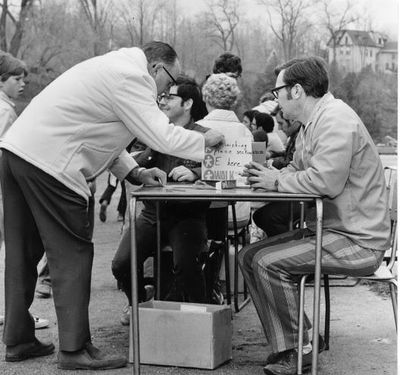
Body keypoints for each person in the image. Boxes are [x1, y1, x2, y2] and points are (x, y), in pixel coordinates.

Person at [0, 41, 224, 370]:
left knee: (22, 252)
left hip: (16, 153)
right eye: (169, 80)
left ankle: (18, 339)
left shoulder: (108, 69)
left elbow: (103, 133)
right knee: (72, 254)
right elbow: (162, 135)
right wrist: (207, 140)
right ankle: (75, 349)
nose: (166, 90)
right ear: (155, 67)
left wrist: (133, 171)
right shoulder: (132, 78)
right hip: (51, 165)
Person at [239, 56, 390, 375]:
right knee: (249, 255)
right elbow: (300, 168)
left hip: (358, 241)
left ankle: (298, 351)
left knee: (266, 262)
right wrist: (270, 174)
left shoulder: (334, 119)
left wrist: (276, 181)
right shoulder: (315, 122)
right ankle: (301, 340)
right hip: (334, 231)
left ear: (295, 90)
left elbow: (325, 181)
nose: (275, 99)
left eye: (277, 91)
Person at [112, 75, 211, 325]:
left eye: (170, 96)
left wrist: (196, 172)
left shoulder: (207, 135)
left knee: (186, 265)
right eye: (162, 96)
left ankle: (204, 319)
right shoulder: (158, 134)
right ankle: (138, 303)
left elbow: (225, 172)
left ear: (187, 104)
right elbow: (140, 163)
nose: (163, 100)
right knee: (121, 264)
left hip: (188, 216)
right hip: (153, 214)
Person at [0, 52, 49, 330]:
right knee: (14, 253)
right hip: (3, 190)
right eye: (17, 79)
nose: (22, 84)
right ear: (1, 81)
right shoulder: (4, 110)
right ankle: (17, 316)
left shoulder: (7, 106)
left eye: (24, 79)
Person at [198, 73, 253, 304]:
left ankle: (204, 287)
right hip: (240, 210)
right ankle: (214, 287)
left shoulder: (199, 129)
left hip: (207, 211)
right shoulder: (245, 132)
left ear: (205, 98)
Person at [252, 109, 302, 237]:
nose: (279, 128)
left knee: (264, 216)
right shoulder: (296, 135)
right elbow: (288, 159)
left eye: (281, 123)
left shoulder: (299, 136)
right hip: (300, 189)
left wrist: (272, 165)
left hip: (305, 196)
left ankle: (286, 246)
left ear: (292, 121)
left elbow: (289, 162)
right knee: (262, 214)